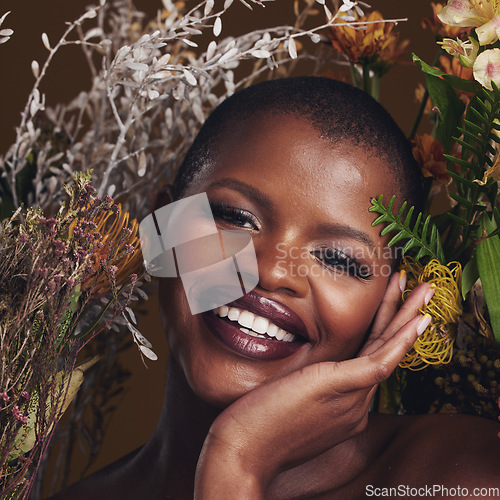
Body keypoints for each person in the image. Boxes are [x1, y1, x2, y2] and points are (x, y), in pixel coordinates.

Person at [54, 77, 500, 499]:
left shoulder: (462, 478)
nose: (270, 272)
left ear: (394, 300)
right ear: (161, 231)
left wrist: (237, 458)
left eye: (339, 259)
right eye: (236, 217)